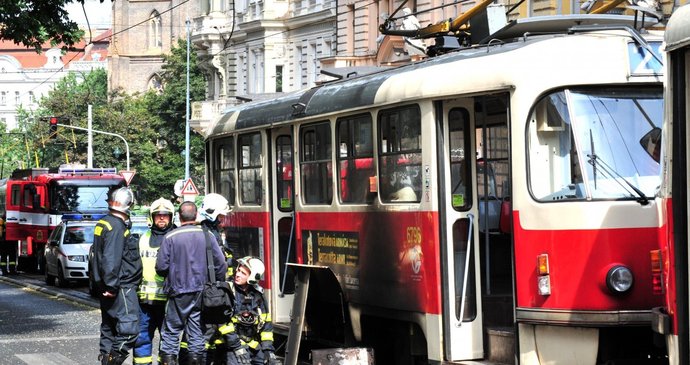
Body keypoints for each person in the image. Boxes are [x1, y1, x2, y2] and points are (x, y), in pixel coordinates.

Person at [156, 201, 227, 365]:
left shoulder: (170, 237)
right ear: (196, 215)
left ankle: (168, 361)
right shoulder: (207, 235)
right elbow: (221, 264)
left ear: (179, 216)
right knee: (196, 332)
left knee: (171, 332)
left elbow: (161, 267)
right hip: (202, 293)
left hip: (178, 292)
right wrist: (215, 283)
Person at [91, 186, 143, 365]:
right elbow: (111, 258)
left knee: (109, 329)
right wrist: (112, 286)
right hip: (121, 288)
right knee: (129, 330)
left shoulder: (104, 222)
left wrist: (105, 285)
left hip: (108, 286)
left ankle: (106, 359)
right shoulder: (116, 226)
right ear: (128, 206)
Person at [133, 198, 176, 365]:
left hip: (169, 301)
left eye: (166, 215)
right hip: (144, 301)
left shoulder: (176, 237)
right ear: (152, 217)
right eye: (158, 215)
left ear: (171, 217)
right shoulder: (143, 238)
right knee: (142, 339)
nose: (162, 218)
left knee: (168, 342)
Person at [219, 256, 280, 365]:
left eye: (243, 273)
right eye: (238, 270)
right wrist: (237, 347)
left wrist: (268, 350)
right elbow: (223, 324)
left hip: (252, 346)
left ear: (252, 277)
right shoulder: (227, 291)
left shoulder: (258, 295)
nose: (237, 274)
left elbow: (266, 326)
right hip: (230, 346)